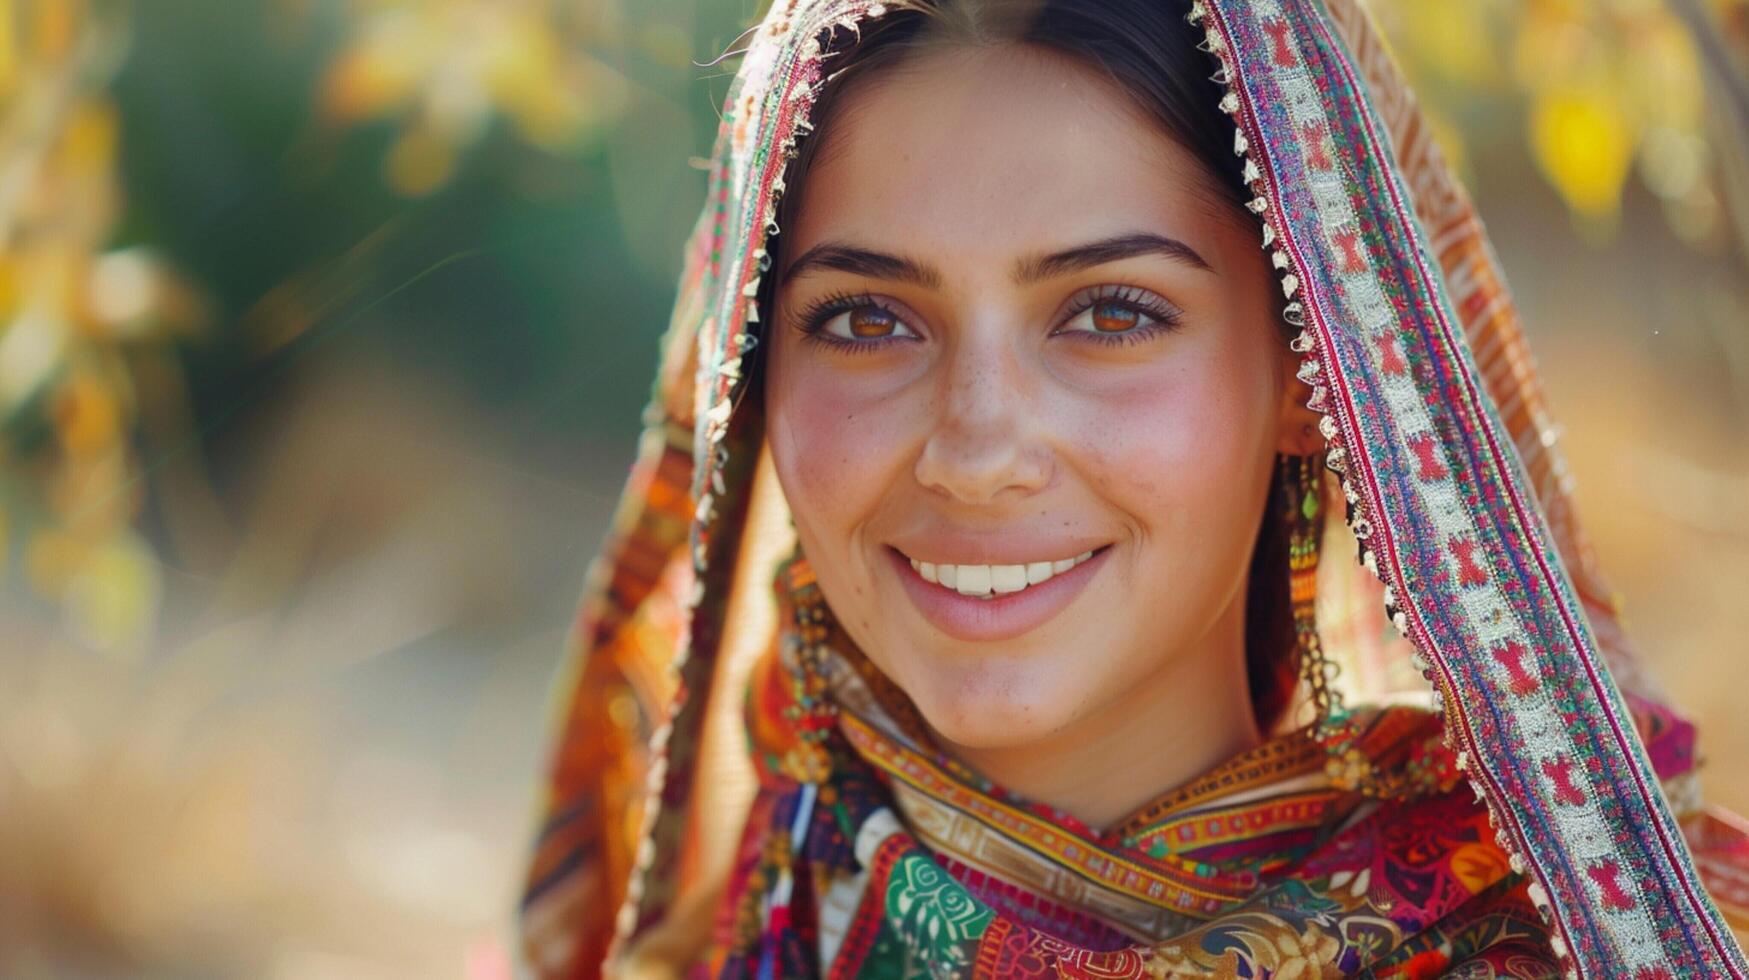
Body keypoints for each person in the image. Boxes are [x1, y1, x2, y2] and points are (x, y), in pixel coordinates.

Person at [520, 0, 1749, 976]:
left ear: (1311, 375)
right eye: (866, 317)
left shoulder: (1534, 945)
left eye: (1111, 313)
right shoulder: (731, 932)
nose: (976, 447)